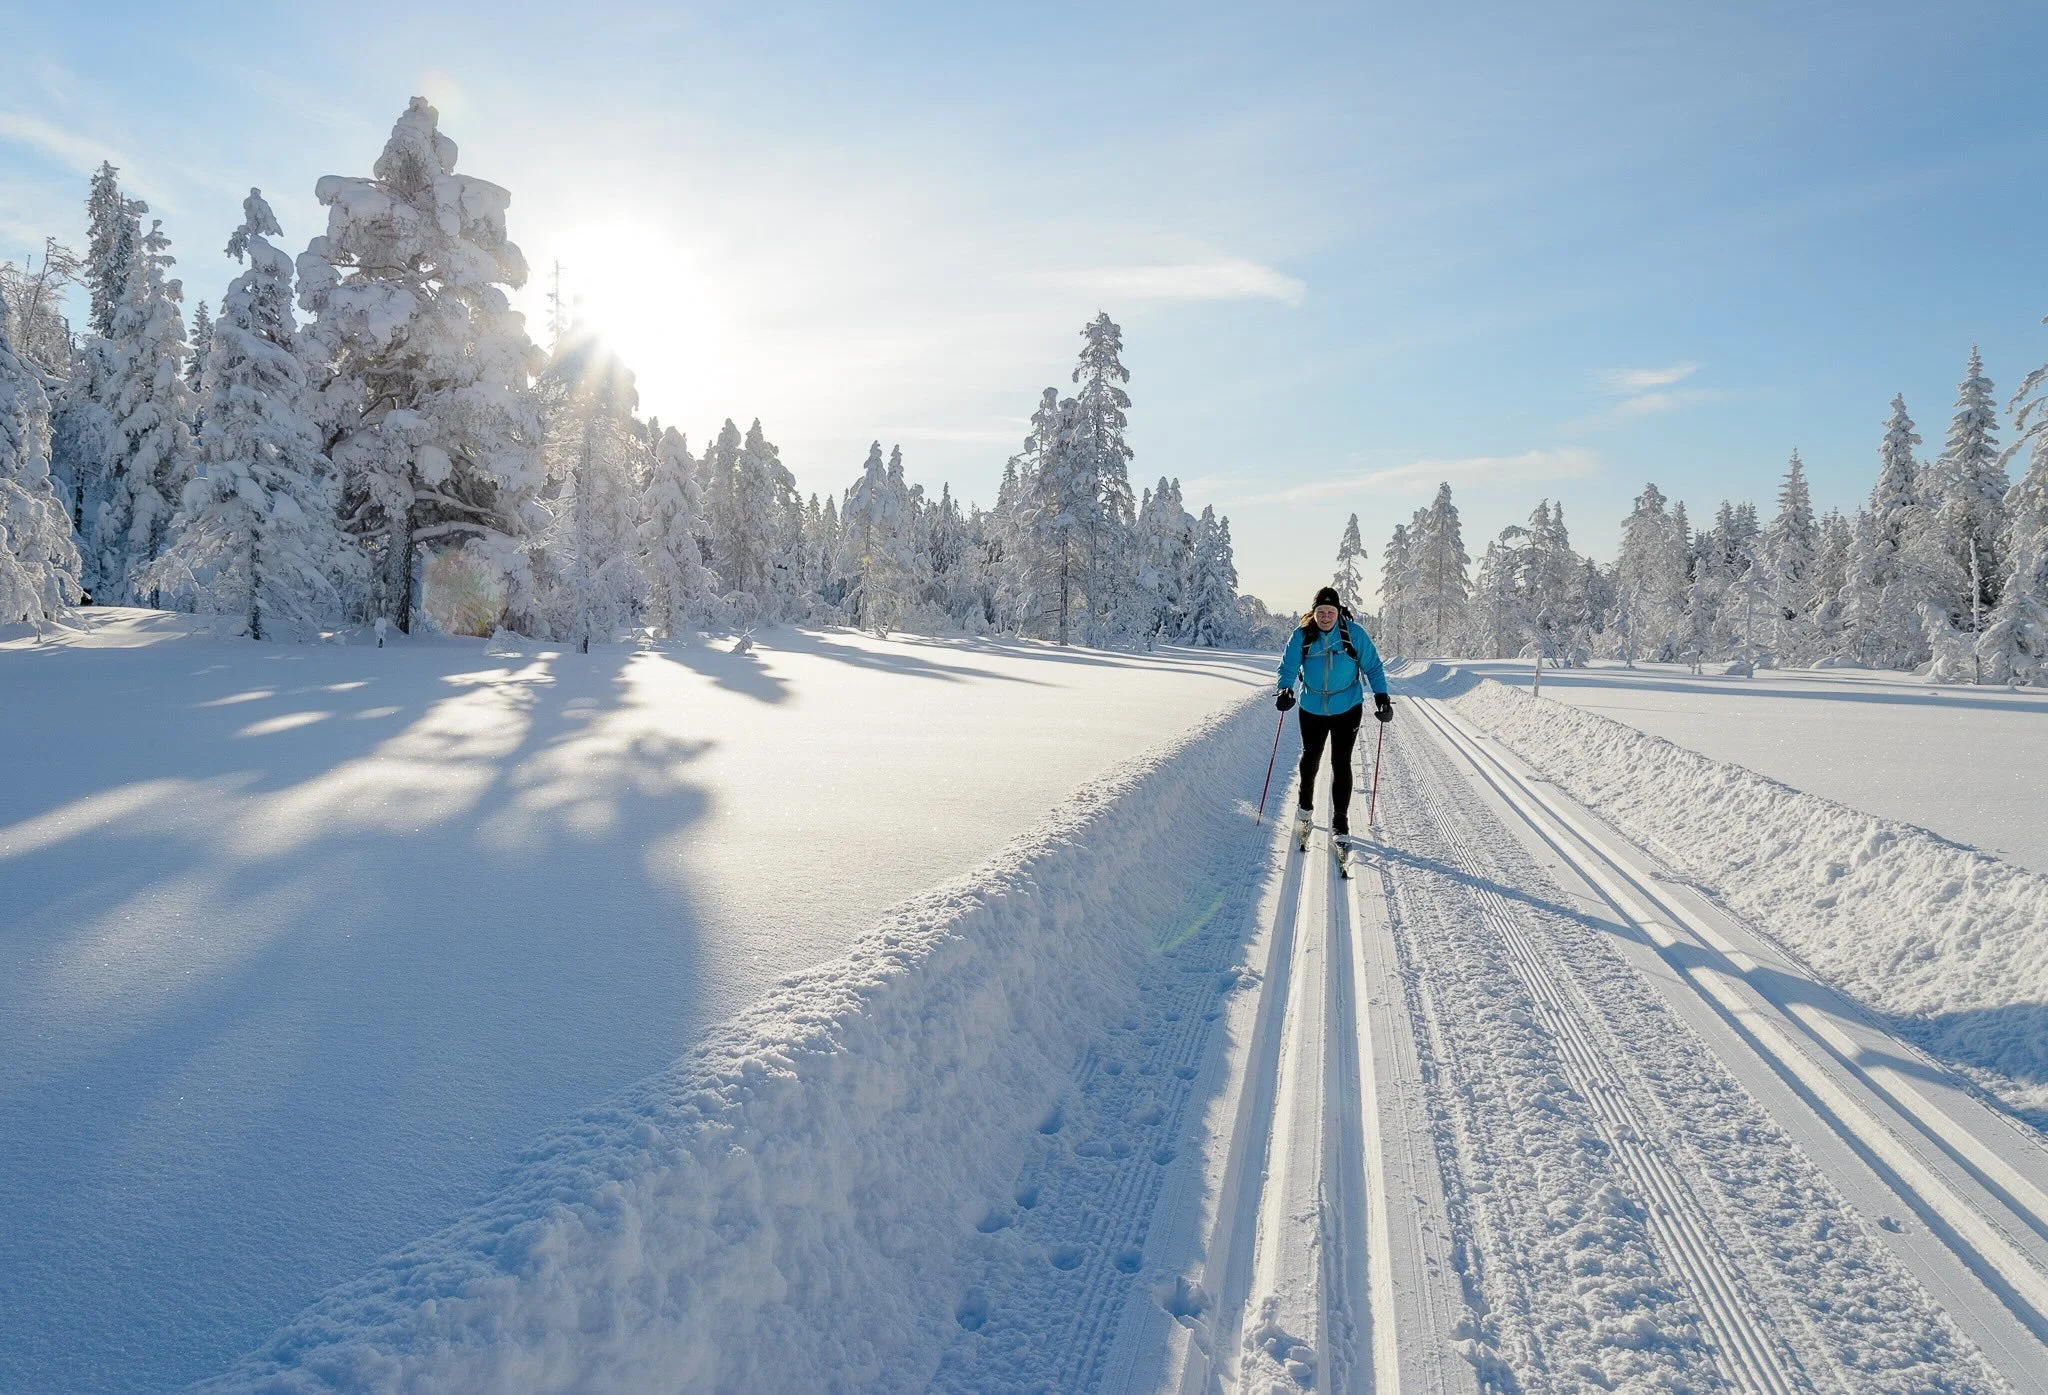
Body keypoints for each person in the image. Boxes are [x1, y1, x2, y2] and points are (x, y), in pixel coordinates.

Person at [1276, 585, 1391, 843]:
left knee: (1341, 763)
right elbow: (1288, 666)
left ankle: (1340, 821)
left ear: (1338, 612)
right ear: (1313, 612)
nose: (1325, 616)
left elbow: (1372, 666)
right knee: (1310, 759)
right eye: (1320, 611)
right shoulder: (1302, 636)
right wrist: (1284, 689)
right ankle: (1304, 810)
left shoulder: (1354, 635)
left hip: (1347, 707)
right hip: (1312, 707)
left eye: (1330, 611)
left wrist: (1382, 696)